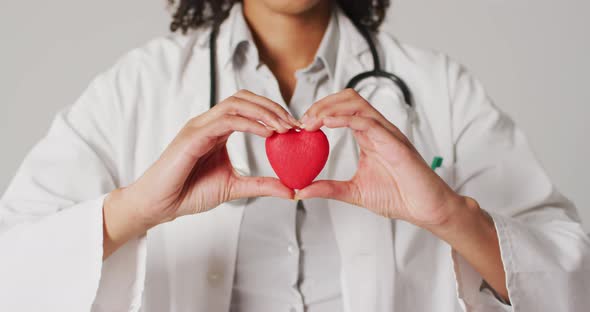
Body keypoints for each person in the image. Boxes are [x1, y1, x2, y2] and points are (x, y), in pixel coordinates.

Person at [1, 0, 588, 311]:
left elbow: (572, 283)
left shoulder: (440, 88)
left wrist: (450, 216)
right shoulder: (136, 87)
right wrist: (133, 211)